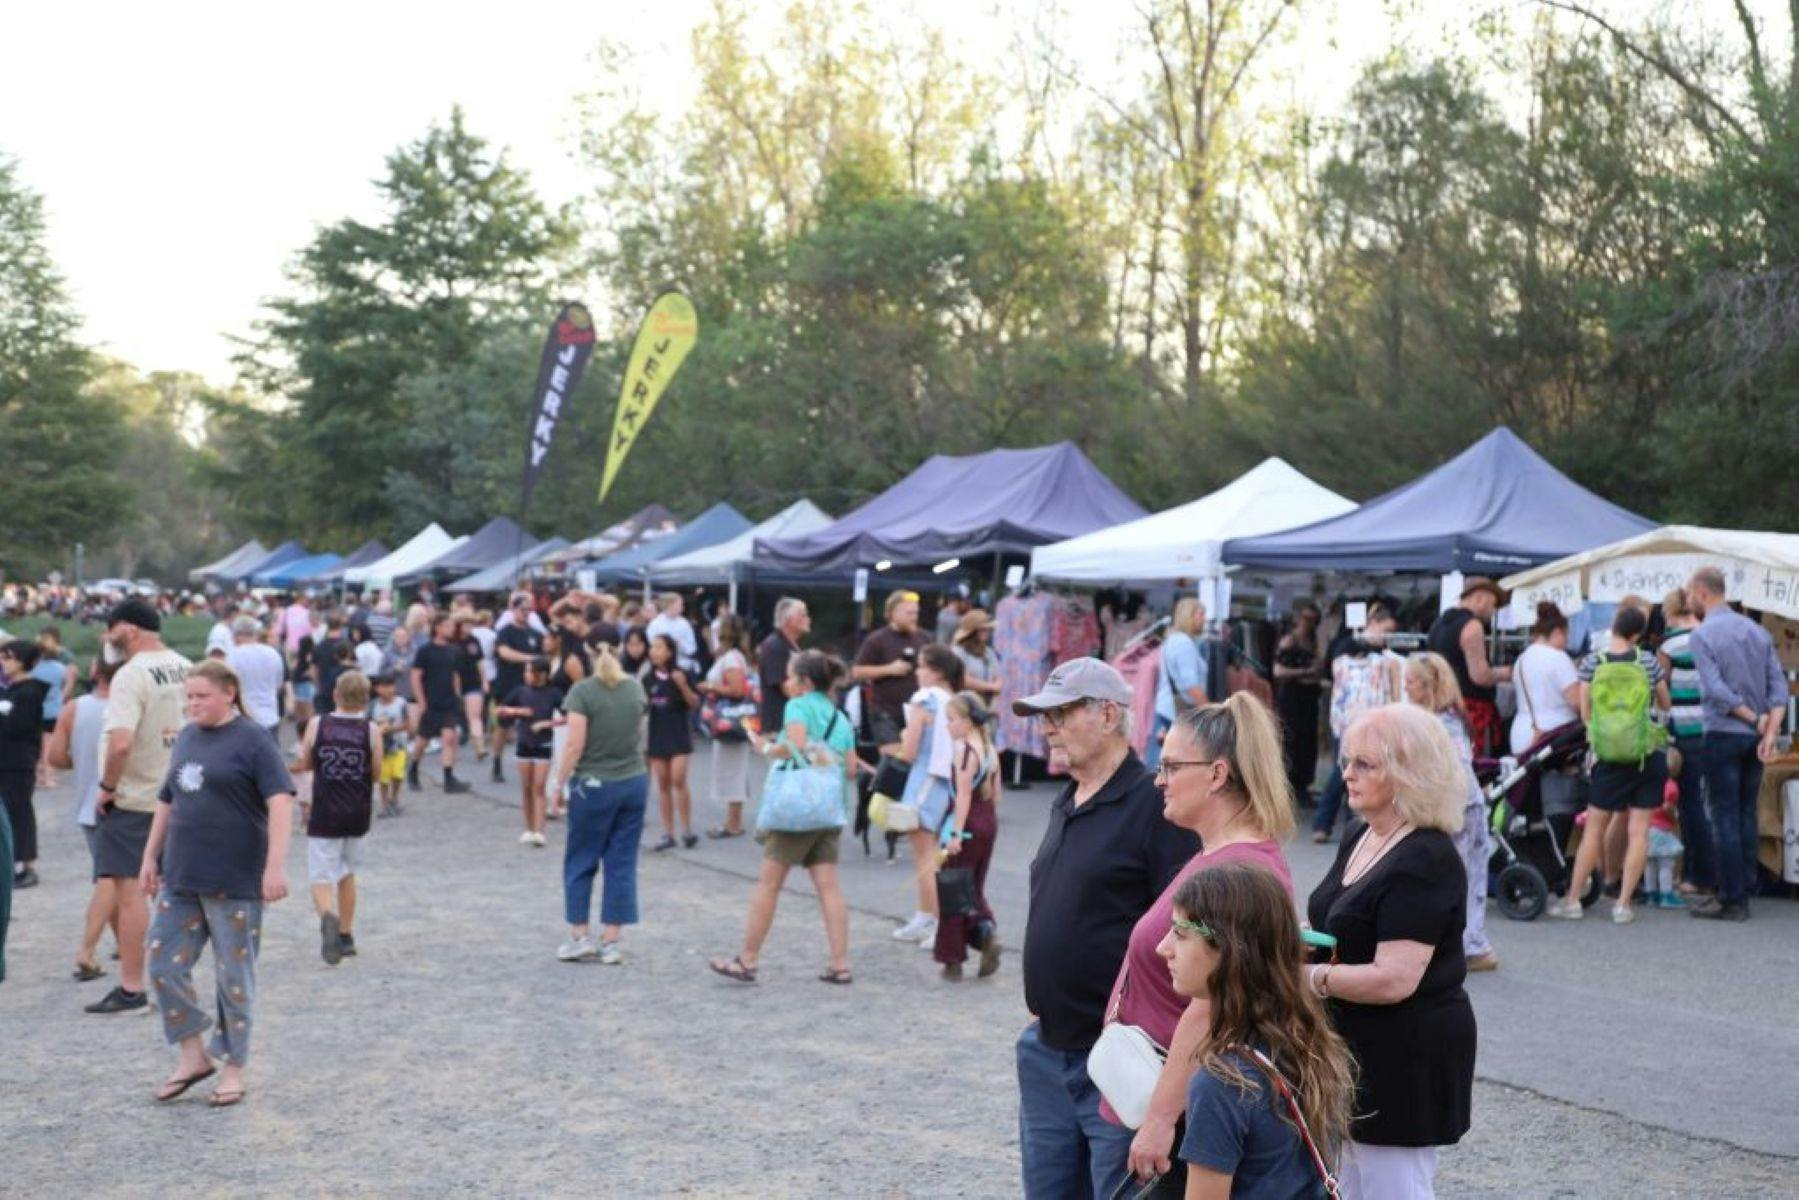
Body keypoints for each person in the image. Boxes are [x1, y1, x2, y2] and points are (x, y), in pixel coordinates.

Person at [1011, 658, 1199, 1199]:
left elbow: (1186, 937)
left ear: (1110, 716)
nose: (1047, 728)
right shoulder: (1068, 799)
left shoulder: (1154, 806)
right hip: (1048, 1048)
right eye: (1043, 717)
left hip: (1121, 1056)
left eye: (1060, 714)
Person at [1110, 694, 1297, 1190]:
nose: (1159, 779)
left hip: (1175, 1110)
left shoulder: (1239, 869)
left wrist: (1159, 1118)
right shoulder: (1218, 855)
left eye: (1171, 766)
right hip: (1155, 1092)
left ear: (1217, 774)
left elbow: (1211, 1004)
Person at [1305, 703, 1477, 1199]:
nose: (1347, 775)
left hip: (1405, 1054)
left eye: (1365, 764)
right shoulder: (1360, 833)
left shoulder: (1427, 856)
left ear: (1409, 774)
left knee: (1391, 1188)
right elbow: (1341, 924)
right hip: (1353, 1044)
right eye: (1347, 762)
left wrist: (1309, 980)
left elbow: (1394, 979)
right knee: (1347, 1186)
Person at [140, 659, 295, 1108]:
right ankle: (193, 1056)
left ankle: (233, 1067)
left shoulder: (254, 739)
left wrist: (275, 866)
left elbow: (281, 802)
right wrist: (150, 855)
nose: (193, 704)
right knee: (162, 963)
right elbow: (167, 799)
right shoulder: (187, 736)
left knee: (233, 978)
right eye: (188, 696)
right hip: (181, 875)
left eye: (201, 696)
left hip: (235, 879)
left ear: (229, 693)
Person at [1160, 863, 1354, 1200]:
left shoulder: (1221, 1082)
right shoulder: (1303, 1042)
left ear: (1228, 950)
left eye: (1180, 933)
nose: (1163, 948)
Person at [709, 649, 857, 985]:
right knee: (829, 888)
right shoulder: (839, 715)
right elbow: (849, 767)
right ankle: (840, 963)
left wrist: (766, 747)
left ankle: (747, 959)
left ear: (804, 682)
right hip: (829, 807)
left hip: (797, 808)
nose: (787, 683)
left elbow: (797, 746)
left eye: (791, 677)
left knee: (769, 884)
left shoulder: (797, 707)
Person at [86, 599, 191, 1016]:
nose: (107, 638)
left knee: (131, 893)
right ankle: (175, 979)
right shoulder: (185, 666)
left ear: (128, 629)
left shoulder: (131, 675)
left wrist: (107, 787)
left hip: (136, 798)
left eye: (111, 630)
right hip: (180, 795)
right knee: (174, 892)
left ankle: (132, 986)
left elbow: (121, 743)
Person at [1548, 605, 1669, 925]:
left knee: (1594, 830)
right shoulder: (1647, 662)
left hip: (1608, 755)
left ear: (1615, 627)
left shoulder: (1593, 662)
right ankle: (1623, 905)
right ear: (1637, 634)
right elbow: (1665, 702)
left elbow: (1586, 712)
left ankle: (1573, 900)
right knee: (1639, 832)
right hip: (1646, 753)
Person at [1686, 567, 1786, 920]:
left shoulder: (1702, 635)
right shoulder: (1758, 632)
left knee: (1724, 815)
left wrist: (1754, 719)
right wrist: (1768, 732)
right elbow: (1779, 689)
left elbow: (1716, 690)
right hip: (1755, 738)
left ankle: (1731, 898)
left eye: (1689, 594)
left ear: (1702, 592)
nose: (1688, 600)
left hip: (1724, 732)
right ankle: (1744, 884)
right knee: (1745, 812)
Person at [548, 644, 649, 965]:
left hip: (593, 784)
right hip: (632, 781)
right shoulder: (635, 688)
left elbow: (575, 744)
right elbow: (638, 734)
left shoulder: (582, 692)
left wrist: (558, 782)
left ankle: (580, 936)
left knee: (581, 859)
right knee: (622, 862)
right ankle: (611, 941)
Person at [1406, 651, 1497, 971]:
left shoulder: (1444, 723)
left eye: (1411, 682)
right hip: (1459, 805)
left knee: (1458, 877)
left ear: (1429, 686)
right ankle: (1468, 944)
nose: (1406, 688)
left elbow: (1455, 770)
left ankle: (1469, 945)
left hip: (1460, 807)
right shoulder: (1447, 719)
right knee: (1464, 876)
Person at [292, 670, 380, 965]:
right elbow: (376, 773)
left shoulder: (318, 724)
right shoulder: (371, 729)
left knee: (321, 876)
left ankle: (328, 917)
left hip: (325, 809)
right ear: (366, 699)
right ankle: (346, 934)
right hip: (357, 811)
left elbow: (306, 763)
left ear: (335, 695)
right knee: (347, 873)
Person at [891, 644, 966, 946]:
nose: (917, 671)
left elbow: (909, 750)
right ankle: (927, 916)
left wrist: (903, 737)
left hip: (923, 778)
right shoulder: (954, 700)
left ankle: (935, 921)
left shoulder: (924, 699)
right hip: (945, 780)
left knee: (924, 855)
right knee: (931, 851)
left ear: (936, 672)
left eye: (921, 666)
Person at [47, 656, 117, 979]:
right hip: (120, 804)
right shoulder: (129, 708)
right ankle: (86, 950)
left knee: (110, 877)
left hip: (87, 805)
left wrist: (84, 759)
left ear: (95, 672)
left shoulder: (74, 708)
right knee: (112, 879)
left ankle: (124, 942)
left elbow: (56, 758)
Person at [1311, 605, 1402, 843]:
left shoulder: (1383, 656)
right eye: (1386, 630)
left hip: (1362, 720)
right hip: (1348, 721)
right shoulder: (1348, 645)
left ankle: (1343, 824)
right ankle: (1327, 822)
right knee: (1343, 771)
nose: (1387, 636)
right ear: (1374, 622)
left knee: (1352, 772)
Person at [933, 690, 1003, 980]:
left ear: (967, 721)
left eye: (951, 719)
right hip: (987, 821)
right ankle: (985, 932)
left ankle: (953, 958)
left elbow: (962, 795)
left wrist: (956, 834)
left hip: (967, 825)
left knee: (953, 889)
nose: (947, 726)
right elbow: (996, 794)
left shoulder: (964, 750)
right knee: (973, 887)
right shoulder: (989, 748)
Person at [1655, 588, 1714, 898]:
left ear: (1669, 612)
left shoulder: (1669, 646)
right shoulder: (1711, 637)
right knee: (1708, 804)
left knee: (1690, 805)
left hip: (1684, 731)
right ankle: (1704, 872)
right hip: (1713, 728)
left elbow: (1659, 691)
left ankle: (1697, 875)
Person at [1427, 577, 1513, 755]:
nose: (1492, 612)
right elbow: (1480, 675)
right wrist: (1507, 673)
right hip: (1471, 712)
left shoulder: (1437, 624)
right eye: (1492, 605)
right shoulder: (1472, 626)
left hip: (1442, 708)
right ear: (1480, 598)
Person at [699, 612, 755, 840]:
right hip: (732, 719)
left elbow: (737, 690)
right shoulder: (734, 656)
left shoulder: (731, 659)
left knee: (732, 769)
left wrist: (710, 686)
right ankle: (733, 821)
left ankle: (733, 823)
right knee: (734, 769)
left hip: (729, 720)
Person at [853, 591, 930, 752]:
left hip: (916, 709)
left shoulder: (924, 638)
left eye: (916, 613)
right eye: (909, 613)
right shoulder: (877, 639)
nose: (914, 617)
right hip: (885, 710)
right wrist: (889, 669)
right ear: (893, 613)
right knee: (892, 758)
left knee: (914, 755)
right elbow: (857, 671)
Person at [644, 633, 701, 851]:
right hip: (657, 736)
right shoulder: (648, 679)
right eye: (653, 647)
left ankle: (687, 830)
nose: (654, 651)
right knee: (663, 784)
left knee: (678, 780)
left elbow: (694, 703)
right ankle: (668, 833)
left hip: (679, 736)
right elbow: (643, 705)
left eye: (659, 647)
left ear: (669, 652)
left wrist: (683, 686)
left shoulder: (681, 674)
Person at [496, 658, 561, 846]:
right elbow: (500, 710)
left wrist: (547, 723)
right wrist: (516, 711)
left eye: (530, 671)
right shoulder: (520, 691)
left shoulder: (554, 693)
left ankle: (540, 831)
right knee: (526, 787)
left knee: (539, 787)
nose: (526, 675)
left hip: (543, 744)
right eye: (525, 671)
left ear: (542, 674)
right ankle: (528, 828)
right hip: (524, 742)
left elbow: (568, 716)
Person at [0, 640, 49, 889]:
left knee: (19, 812)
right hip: (5, 761)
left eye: (7, 657)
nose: (3, 662)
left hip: (19, 763)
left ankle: (26, 865)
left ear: (21, 660)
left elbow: (21, 727)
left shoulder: (29, 692)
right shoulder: (9, 690)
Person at [410, 615, 472, 795]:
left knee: (449, 738)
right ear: (437, 628)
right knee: (423, 739)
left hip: (449, 701)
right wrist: (421, 701)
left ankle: (448, 778)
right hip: (431, 701)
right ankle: (413, 768)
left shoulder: (454, 651)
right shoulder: (425, 650)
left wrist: (458, 697)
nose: (451, 629)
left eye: (451, 626)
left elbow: (455, 675)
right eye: (447, 625)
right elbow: (416, 676)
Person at [1509, 602, 1581, 755]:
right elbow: (1576, 702)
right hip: (1552, 737)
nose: (1567, 642)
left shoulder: (1521, 660)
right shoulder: (1558, 658)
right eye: (1566, 635)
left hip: (1521, 733)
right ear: (1557, 632)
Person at [1273, 601, 1325, 804]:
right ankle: (1289, 786)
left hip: (1309, 697)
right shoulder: (1289, 640)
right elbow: (1278, 670)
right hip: (1292, 698)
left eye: (1313, 620)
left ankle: (1302, 785)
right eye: (1305, 618)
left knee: (1307, 742)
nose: (1308, 623)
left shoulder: (1313, 641)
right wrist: (1304, 672)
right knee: (1291, 740)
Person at [1149, 598, 1209, 770]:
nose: (1204, 619)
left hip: (1169, 710)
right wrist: (1210, 710)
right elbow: (1191, 686)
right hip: (1175, 713)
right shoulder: (1183, 643)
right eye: (1200, 614)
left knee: (1162, 766)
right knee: (1170, 768)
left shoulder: (1173, 640)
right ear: (1189, 616)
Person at [492, 593, 545, 784]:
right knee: (503, 725)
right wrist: (530, 659)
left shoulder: (536, 634)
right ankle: (496, 762)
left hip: (529, 686)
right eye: (522, 609)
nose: (526, 613)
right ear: (513, 610)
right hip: (507, 683)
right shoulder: (505, 631)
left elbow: (544, 656)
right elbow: (504, 652)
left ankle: (532, 761)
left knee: (532, 723)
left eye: (529, 610)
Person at [542, 626, 590, 819]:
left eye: (548, 638)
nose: (544, 641)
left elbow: (582, 688)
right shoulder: (549, 660)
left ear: (558, 640)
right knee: (553, 755)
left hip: (567, 714)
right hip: (551, 713)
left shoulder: (570, 662)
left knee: (564, 754)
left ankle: (566, 797)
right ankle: (556, 798)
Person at [227, 616, 286, 738]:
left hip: (243, 719)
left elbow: (228, 688)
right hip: (270, 716)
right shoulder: (273, 653)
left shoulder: (232, 656)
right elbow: (278, 685)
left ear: (237, 635)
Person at [757, 596, 810, 734]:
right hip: (778, 725)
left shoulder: (792, 646)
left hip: (791, 723)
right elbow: (786, 688)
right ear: (788, 619)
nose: (808, 619)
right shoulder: (775, 646)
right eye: (802, 615)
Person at [31, 625, 75, 789]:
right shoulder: (60, 668)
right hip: (53, 710)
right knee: (48, 746)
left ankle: (37, 775)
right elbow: (68, 682)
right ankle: (48, 778)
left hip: (35, 710)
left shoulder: (33, 669)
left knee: (35, 745)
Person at [1644, 749, 1687, 909]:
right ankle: (1666, 894)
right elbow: (1667, 807)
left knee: (1649, 863)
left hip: (1646, 827)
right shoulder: (1670, 786)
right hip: (1661, 829)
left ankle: (1650, 893)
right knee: (1665, 864)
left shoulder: (1648, 783)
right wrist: (1673, 817)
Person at [369, 672, 409, 819]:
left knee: (398, 774)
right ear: (377, 688)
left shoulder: (401, 703)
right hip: (381, 748)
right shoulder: (373, 706)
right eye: (383, 686)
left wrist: (392, 728)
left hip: (399, 745)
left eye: (390, 686)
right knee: (383, 777)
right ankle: (385, 803)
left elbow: (407, 724)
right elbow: (368, 724)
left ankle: (394, 797)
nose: (387, 689)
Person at [951, 608, 1003, 705]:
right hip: (964, 703)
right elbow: (962, 679)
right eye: (983, 630)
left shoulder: (988, 652)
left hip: (987, 702)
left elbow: (998, 676)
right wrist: (991, 687)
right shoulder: (958, 651)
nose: (987, 632)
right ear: (973, 632)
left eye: (988, 629)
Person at [645, 592, 700, 673]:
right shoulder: (655, 624)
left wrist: (680, 644)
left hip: (683, 665)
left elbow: (692, 648)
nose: (682, 608)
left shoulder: (684, 623)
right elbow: (652, 644)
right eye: (680, 605)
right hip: (662, 666)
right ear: (670, 605)